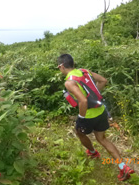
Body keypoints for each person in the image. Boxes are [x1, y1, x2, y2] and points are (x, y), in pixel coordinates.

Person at [57, 54, 134, 182]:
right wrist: (93, 96)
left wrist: (81, 118)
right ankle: (123, 166)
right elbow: (103, 80)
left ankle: (92, 152)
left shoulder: (69, 82)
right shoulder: (84, 71)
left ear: (61, 66)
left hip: (88, 115)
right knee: (102, 138)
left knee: (79, 133)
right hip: (101, 110)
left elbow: (82, 101)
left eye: (58, 67)